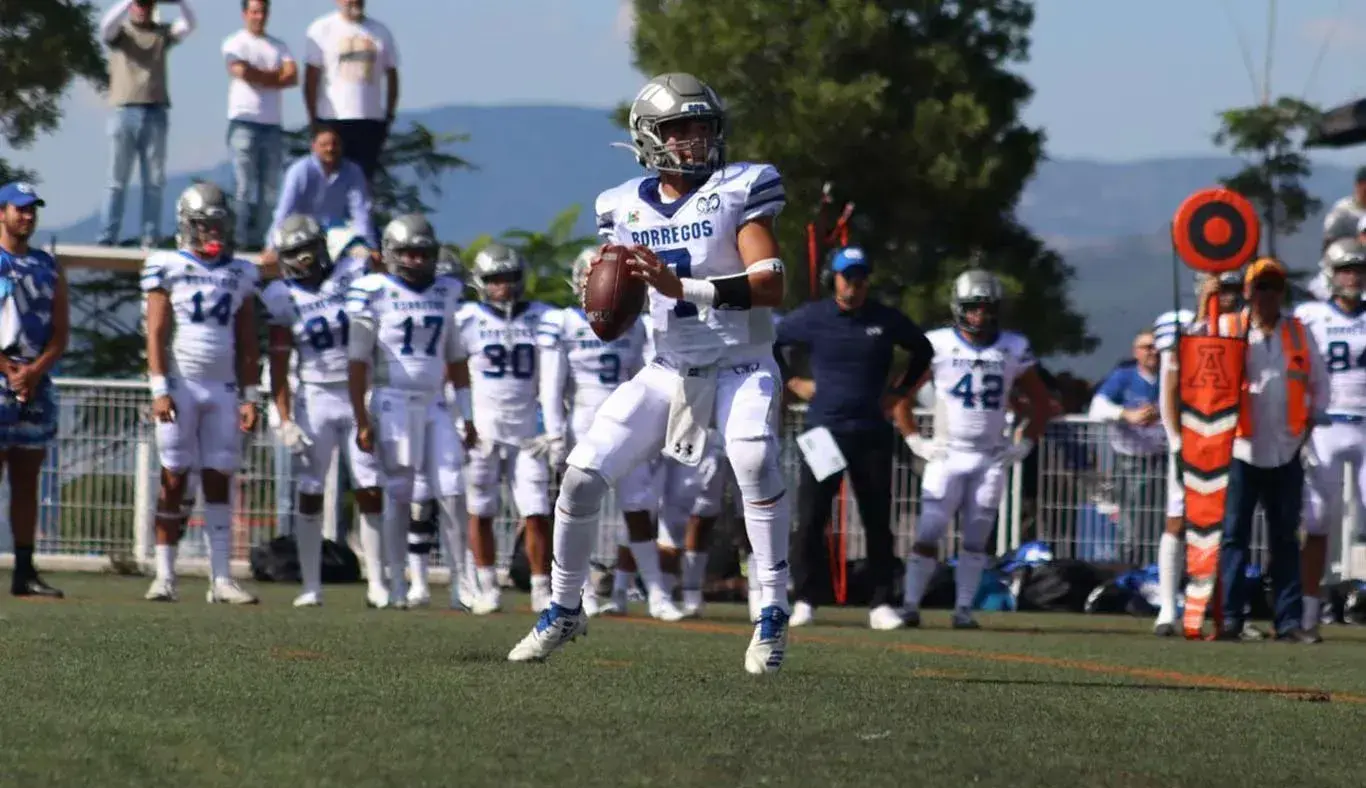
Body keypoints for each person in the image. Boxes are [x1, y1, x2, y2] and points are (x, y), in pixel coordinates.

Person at [508, 72, 792, 674]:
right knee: (581, 478)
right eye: (679, 129)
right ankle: (564, 607)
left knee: (752, 458)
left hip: (742, 364)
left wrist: (680, 285)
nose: (695, 140)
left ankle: (771, 610)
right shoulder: (621, 206)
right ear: (648, 136)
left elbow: (770, 284)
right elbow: (619, 302)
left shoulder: (740, 188)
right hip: (669, 369)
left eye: (702, 127)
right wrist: (601, 298)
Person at [773, 246, 933, 630]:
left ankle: (881, 603)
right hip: (823, 432)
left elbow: (922, 351)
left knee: (877, 519)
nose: (854, 285)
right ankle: (805, 599)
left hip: (870, 433)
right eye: (848, 277)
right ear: (835, 279)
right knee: (812, 518)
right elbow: (772, 342)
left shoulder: (885, 318)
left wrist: (900, 392)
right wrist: (793, 381)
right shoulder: (812, 317)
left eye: (861, 278)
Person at [1178, 258, 1328, 642]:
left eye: (1273, 287)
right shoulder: (1228, 326)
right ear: (1248, 291)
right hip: (1240, 447)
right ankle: (1229, 617)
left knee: (1285, 539)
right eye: (1260, 287)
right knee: (1233, 536)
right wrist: (1204, 306)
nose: (1267, 295)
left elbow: (1319, 383)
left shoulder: (1299, 332)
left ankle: (1289, 621)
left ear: (1282, 292)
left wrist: (1309, 424)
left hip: (1286, 449)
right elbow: (1196, 349)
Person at [896, 270, 1052, 629]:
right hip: (947, 452)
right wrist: (915, 440)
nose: (979, 315)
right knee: (929, 530)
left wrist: (1026, 442)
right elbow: (901, 395)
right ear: (958, 307)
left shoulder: (1013, 346)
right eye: (972, 307)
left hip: (989, 456)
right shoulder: (936, 343)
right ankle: (910, 605)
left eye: (986, 307)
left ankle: (964, 610)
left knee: (977, 537)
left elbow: (1042, 402)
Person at [537, 248, 683, 620]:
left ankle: (656, 593)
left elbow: (648, 375)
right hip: (583, 418)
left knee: (638, 506)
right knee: (578, 505)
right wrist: (554, 433)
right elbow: (552, 385)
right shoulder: (563, 322)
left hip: (626, 412)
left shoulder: (638, 323)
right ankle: (579, 592)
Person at [345, 214, 474, 609]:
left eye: (423, 253)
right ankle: (396, 580)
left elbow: (456, 358)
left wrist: (467, 415)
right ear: (389, 253)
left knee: (453, 488)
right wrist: (361, 419)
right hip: (392, 401)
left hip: (434, 402)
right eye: (408, 252)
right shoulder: (372, 291)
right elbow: (357, 361)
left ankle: (462, 584)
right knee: (399, 493)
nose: (417, 260)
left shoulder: (447, 291)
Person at [141, 182, 260, 604]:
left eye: (218, 224)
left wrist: (250, 395)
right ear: (187, 225)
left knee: (219, 478)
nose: (212, 232)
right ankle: (164, 575)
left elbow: (248, 340)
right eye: (204, 224)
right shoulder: (166, 264)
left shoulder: (241, 271)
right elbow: (156, 331)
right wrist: (159, 388)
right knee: (173, 477)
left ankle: (221, 578)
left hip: (222, 387)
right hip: (182, 384)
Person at [259, 214, 373, 607]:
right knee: (310, 488)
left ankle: (381, 583)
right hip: (315, 396)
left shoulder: (351, 273)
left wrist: (363, 247)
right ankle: (311, 584)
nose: (304, 259)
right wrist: (285, 418)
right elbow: (279, 363)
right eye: (295, 252)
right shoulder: (281, 296)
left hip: (358, 391)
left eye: (309, 249)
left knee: (370, 485)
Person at [453, 244, 556, 614]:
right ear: (481, 282)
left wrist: (551, 425)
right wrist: (461, 419)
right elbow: (453, 371)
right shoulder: (466, 319)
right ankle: (487, 588)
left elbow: (554, 376)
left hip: (528, 432)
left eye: (509, 278)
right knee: (481, 509)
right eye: (495, 279)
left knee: (536, 510)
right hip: (484, 430)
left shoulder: (545, 317)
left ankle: (541, 589)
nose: (503, 286)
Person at [1152, 273, 1238, 636]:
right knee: (1178, 519)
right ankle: (1167, 607)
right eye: (1222, 289)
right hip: (1192, 435)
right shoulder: (1181, 326)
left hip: (1229, 435)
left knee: (1226, 525)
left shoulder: (1241, 328)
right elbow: (1169, 387)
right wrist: (1175, 437)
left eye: (1233, 289)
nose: (1227, 296)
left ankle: (1220, 608)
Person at [1294, 238, 1366, 638]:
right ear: (1331, 273)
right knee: (1317, 520)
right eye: (1345, 269)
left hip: (1365, 424)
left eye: (1358, 269)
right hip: (1325, 425)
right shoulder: (1311, 316)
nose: (1352, 276)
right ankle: (1308, 613)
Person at [0, 183, 68, 598]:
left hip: (35, 384)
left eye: (32, 210)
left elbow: (61, 332)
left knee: (27, 480)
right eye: (20, 209)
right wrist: (8, 369)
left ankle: (24, 570)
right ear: (1, 212)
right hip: (2, 377)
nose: (27, 217)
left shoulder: (48, 266)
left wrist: (35, 371)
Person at [404, 248, 477, 610]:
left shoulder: (468, 316)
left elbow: (462, 366)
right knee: (419, 500)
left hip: (450, 411)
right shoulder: (417, 308)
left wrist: (467, 415)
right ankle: (418, 582)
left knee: (454, 496)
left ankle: (462, 582)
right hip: (424, 406)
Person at [97, 0, 198, 247]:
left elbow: (189, 24)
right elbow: (105, 26)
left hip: (155, 112)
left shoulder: (162, 33)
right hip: (124, 111)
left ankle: (150, 237)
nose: (143, 8)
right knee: (116, 181)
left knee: (154, 182)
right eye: (140, 4)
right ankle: (107, 236)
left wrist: (179, 2)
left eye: (147, 4)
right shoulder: (121, 33)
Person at [222, 0, 297, 251]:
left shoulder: (279, 45)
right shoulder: (235, 42)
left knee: (270, 188)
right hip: (243, 122)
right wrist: (274, 77)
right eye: (254, 11)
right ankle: (239, 240)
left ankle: (265, 241)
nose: (259, 16)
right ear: (245, 14)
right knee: (243, 186)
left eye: (263, 11)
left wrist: (261, 77)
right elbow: (241, 71)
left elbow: (292, 75)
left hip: (272, 125)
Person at [1087, 330, 1167, 562]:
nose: (1153, 352)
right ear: (1136, 352)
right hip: (1131, 462)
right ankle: (1129, 571)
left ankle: (1156, 571)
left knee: (1160, 525)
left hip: (1163, 461)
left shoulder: (1170, 375)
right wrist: (1126, 414)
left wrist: (1161, 413)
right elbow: (1097, 408)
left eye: (1157, 347)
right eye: (1147, 347)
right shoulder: (1123, 377)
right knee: (1131, 527)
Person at [304, 0, 400, 182]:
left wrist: (388, 115)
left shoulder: (381, 32)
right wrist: (314, 120)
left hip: (369, 121)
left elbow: (392, 75)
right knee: (330, 181)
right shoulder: (321, 29)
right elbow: (311, 78)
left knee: (363, 181)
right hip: (332, 120)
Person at [269, 126, 375, 251]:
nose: (330, 149)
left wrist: (369, 245)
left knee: (361, 253)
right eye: (324, 145)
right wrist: (272, 246)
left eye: (335, 144)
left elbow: (360, 211)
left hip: (340, 235)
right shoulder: (300, 170)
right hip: (304, 233)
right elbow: (285, 210)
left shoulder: (353, 171)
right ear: (313, 146)